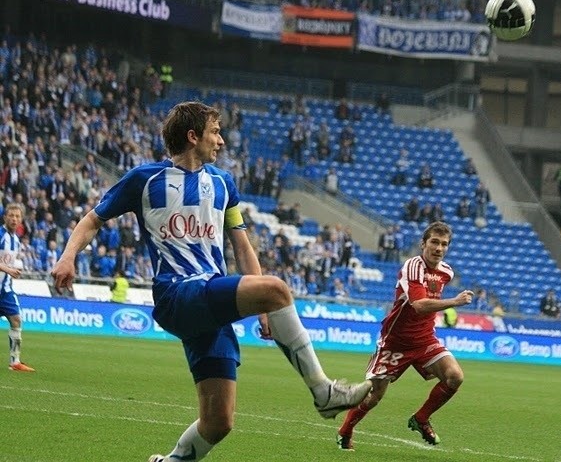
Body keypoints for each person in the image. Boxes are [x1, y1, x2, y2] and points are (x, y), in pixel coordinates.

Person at [49, 102, 371, 462]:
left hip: (208, 303)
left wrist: (263, 305)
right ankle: (324, 392)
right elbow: (93, 219)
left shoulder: (223, 183)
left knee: (218, 421)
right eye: (215, 132)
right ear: (193, 136)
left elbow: (241, 243)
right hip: (178, 293)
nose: (220, 140)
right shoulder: (145, 180)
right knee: (278, 288)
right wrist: (67, 255)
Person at [337, 221, 473, 450]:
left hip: (425, 339)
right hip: (395, 342)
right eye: (434, 242)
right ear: (423, 244)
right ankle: (346, 430)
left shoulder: (446, 272)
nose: (439, 248)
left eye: (444, 244)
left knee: (455, 377)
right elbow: (419, 305)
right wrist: (455, 302)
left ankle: (420, 418)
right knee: (375, 396)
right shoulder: (413, 266)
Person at [1, 203, 35, 372]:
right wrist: (8, 269)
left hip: (5, 290)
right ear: (5, 217)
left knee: (16, 320)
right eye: (11, 216)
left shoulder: (16, 239)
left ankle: (15, 362)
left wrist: (12, 270)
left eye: (17, 216)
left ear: (21, 220)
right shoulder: (1, 235)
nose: (14, 219)